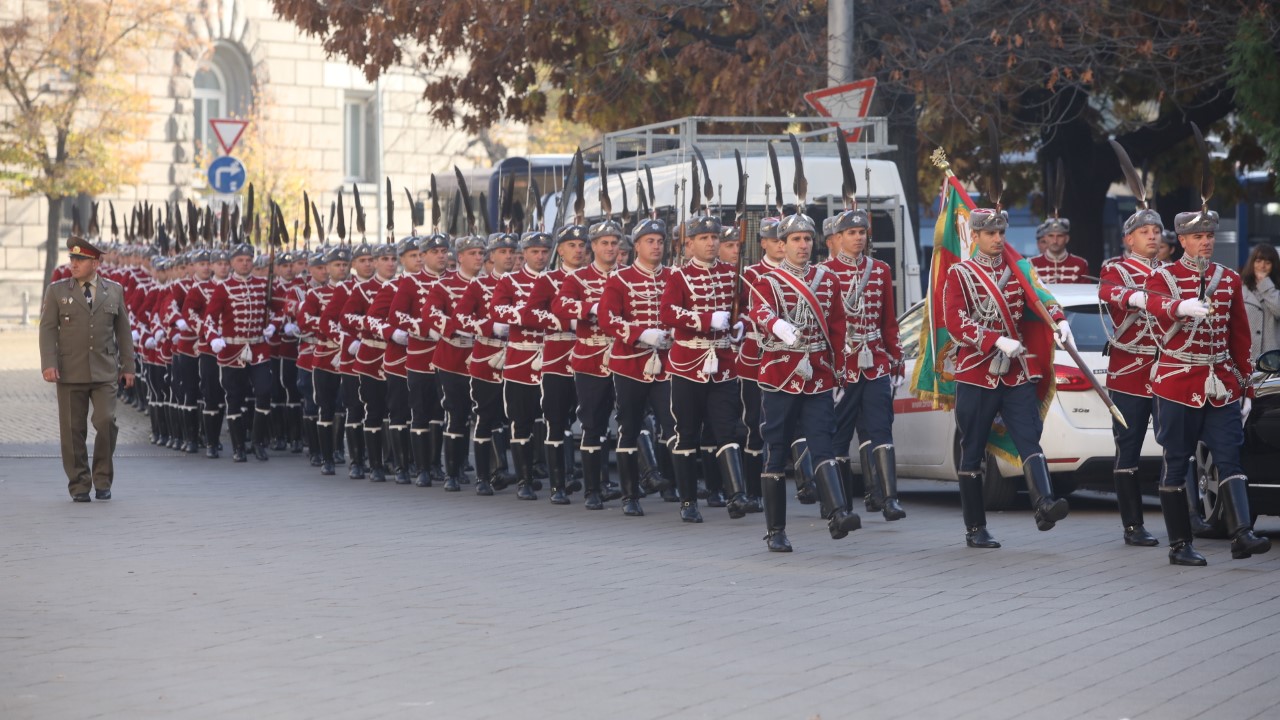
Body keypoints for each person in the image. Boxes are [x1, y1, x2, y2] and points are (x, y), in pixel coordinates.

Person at [1145, 209, 1270, 565]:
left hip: (1220, 386)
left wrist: (1245, 388)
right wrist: (1180, 306)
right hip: (1177, 384)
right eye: (1198, 237)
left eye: (1210, 236)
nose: (1206, 242)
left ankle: (1242, 533)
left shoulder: (1228, 279)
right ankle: (1180, 544)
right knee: (1176, 460)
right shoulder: (1164, 277)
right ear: (1182, 240)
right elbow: (1154, 305)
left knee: (1231, 458)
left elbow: (1240, 338)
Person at [943, 207, 1070, 549]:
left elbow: (1041, 298)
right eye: (990, 234)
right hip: (976, 373)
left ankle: (1044, 504)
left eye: (1001, 233)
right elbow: (955, 321)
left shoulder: (1019, 269)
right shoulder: (960, 273)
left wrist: (1059, 320)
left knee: (1029, 438)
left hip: (1015, 374)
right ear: (976, 236)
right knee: (972, 452)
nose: (998, 239)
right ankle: (975, 528)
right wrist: (993, 339)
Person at [747, 212, 860, 552]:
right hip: (781, 373)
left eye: (807, 238)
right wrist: (777, 325)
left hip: (819, 374)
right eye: (796, 239)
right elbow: (760, 310)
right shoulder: (768, 280)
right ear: (781, 245)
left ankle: (838, 513)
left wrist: (840, 369)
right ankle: (776, 530)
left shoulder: (827, 279)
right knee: (776, 450)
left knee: (823, 443)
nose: (803, 245)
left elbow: (837, 327)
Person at [661, 213, 750, 522]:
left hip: (724, 363)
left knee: (727, 429)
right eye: (704, 238)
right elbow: (668, 313)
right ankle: (688, 501)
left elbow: (745, 306)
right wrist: (704, 320)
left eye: (715, 238)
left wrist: (742, 326)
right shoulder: (679, 276)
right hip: (688, 364)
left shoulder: (732, 272)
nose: (711, 243)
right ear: (690, 243)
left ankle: (736, 494)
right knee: (687, 432)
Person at [40, 229, 137, 502]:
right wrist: (48, 363)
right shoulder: (58, 292)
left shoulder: (114, 291)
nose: (73, 264)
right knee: (73, 431)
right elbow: (47, 330)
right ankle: (79, 484)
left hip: (105, 370)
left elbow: (124, 333)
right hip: (70, 371)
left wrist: (128, 367)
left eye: (80, 260)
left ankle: (103, 478)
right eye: (72, 259)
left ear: (95, 264)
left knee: (106, 422)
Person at [823, 208, 905, 521]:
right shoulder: (823, 273)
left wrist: (894, 356)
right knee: (839, 434)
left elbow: (888, 321)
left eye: (862, 232)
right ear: (838, 238)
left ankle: (889, 499)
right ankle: (839, 503)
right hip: (842, 364)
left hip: (875, 362)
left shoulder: (880, 270)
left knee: (881, 427)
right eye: (852, 233)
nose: (858, 238)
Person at [1098, 205, 1165, 547]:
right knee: (1129, 449)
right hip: (1130, 372)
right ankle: (1133, 525)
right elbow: (1111, 294)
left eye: (1156, 231)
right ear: (1128, 239)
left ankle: (1190, 516)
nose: (1152, 235)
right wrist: (1141, 296)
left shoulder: (1170, 272)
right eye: (1144, 231)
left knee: (1177, 447)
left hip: (1169, 371)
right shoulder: (1116, 269)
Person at [1241, 243, 1280, 359]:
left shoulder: (1276, 289)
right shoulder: (1241, 288)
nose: (1262, 266)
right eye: (1258, 261)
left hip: (1272, 357)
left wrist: (1265, 284)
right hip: (1246, 355)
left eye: (1267, 263)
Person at [1029, 216, 1090, 283]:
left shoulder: (1080, 264)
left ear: (1067, 239)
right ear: (1045, 238)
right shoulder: (1032, 263)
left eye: (1059, 236)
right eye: (1051, 236)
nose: (1055, 241)